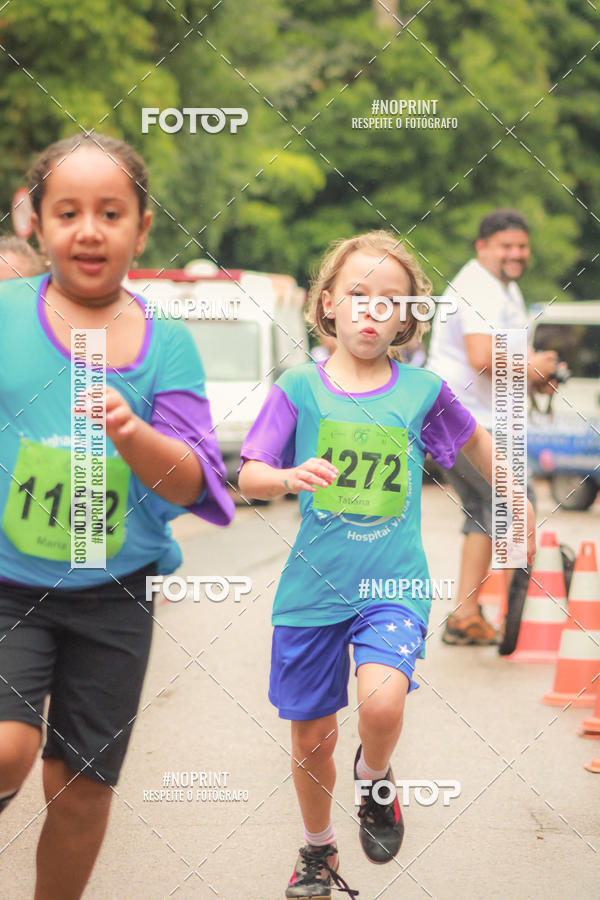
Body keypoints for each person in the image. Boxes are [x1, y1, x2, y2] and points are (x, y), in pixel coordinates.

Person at [238, 230, 536, 899]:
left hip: (392, 585)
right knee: (312, 739)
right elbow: (250, 475)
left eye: (391, 301)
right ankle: (318, 851)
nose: (373, 310)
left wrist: (513, 493)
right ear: (330, 306)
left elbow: (473, 440)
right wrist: (289, 475)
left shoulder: (422, 391)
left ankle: (376, 778)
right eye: (358, 295)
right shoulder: (299, 388)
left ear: (409, 317)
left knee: (381, 699)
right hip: (311, 590)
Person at [0, 133, 234, 899]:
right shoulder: (5, 313)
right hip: (9, 584)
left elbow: (191, 482)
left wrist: (133, 434)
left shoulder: (169, 348)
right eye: (68, 212)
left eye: (111, 212)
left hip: (115, 597)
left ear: (142, 226)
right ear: (35, 221)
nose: (90, 229)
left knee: (82, 789)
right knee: (6, 748)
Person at [427, 209, 557, 645]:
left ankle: (466, 615)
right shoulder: (477, 286)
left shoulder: (507, 288)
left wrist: (535, 377)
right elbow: (481, 356)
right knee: (517, 506)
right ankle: (521, 621)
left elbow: (502, 360)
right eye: (506, 246)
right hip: (465, 419)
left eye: (521, 245)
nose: (516, 253)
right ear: (481, 246)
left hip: (469, 418)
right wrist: (533, 365)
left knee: (485, 513)